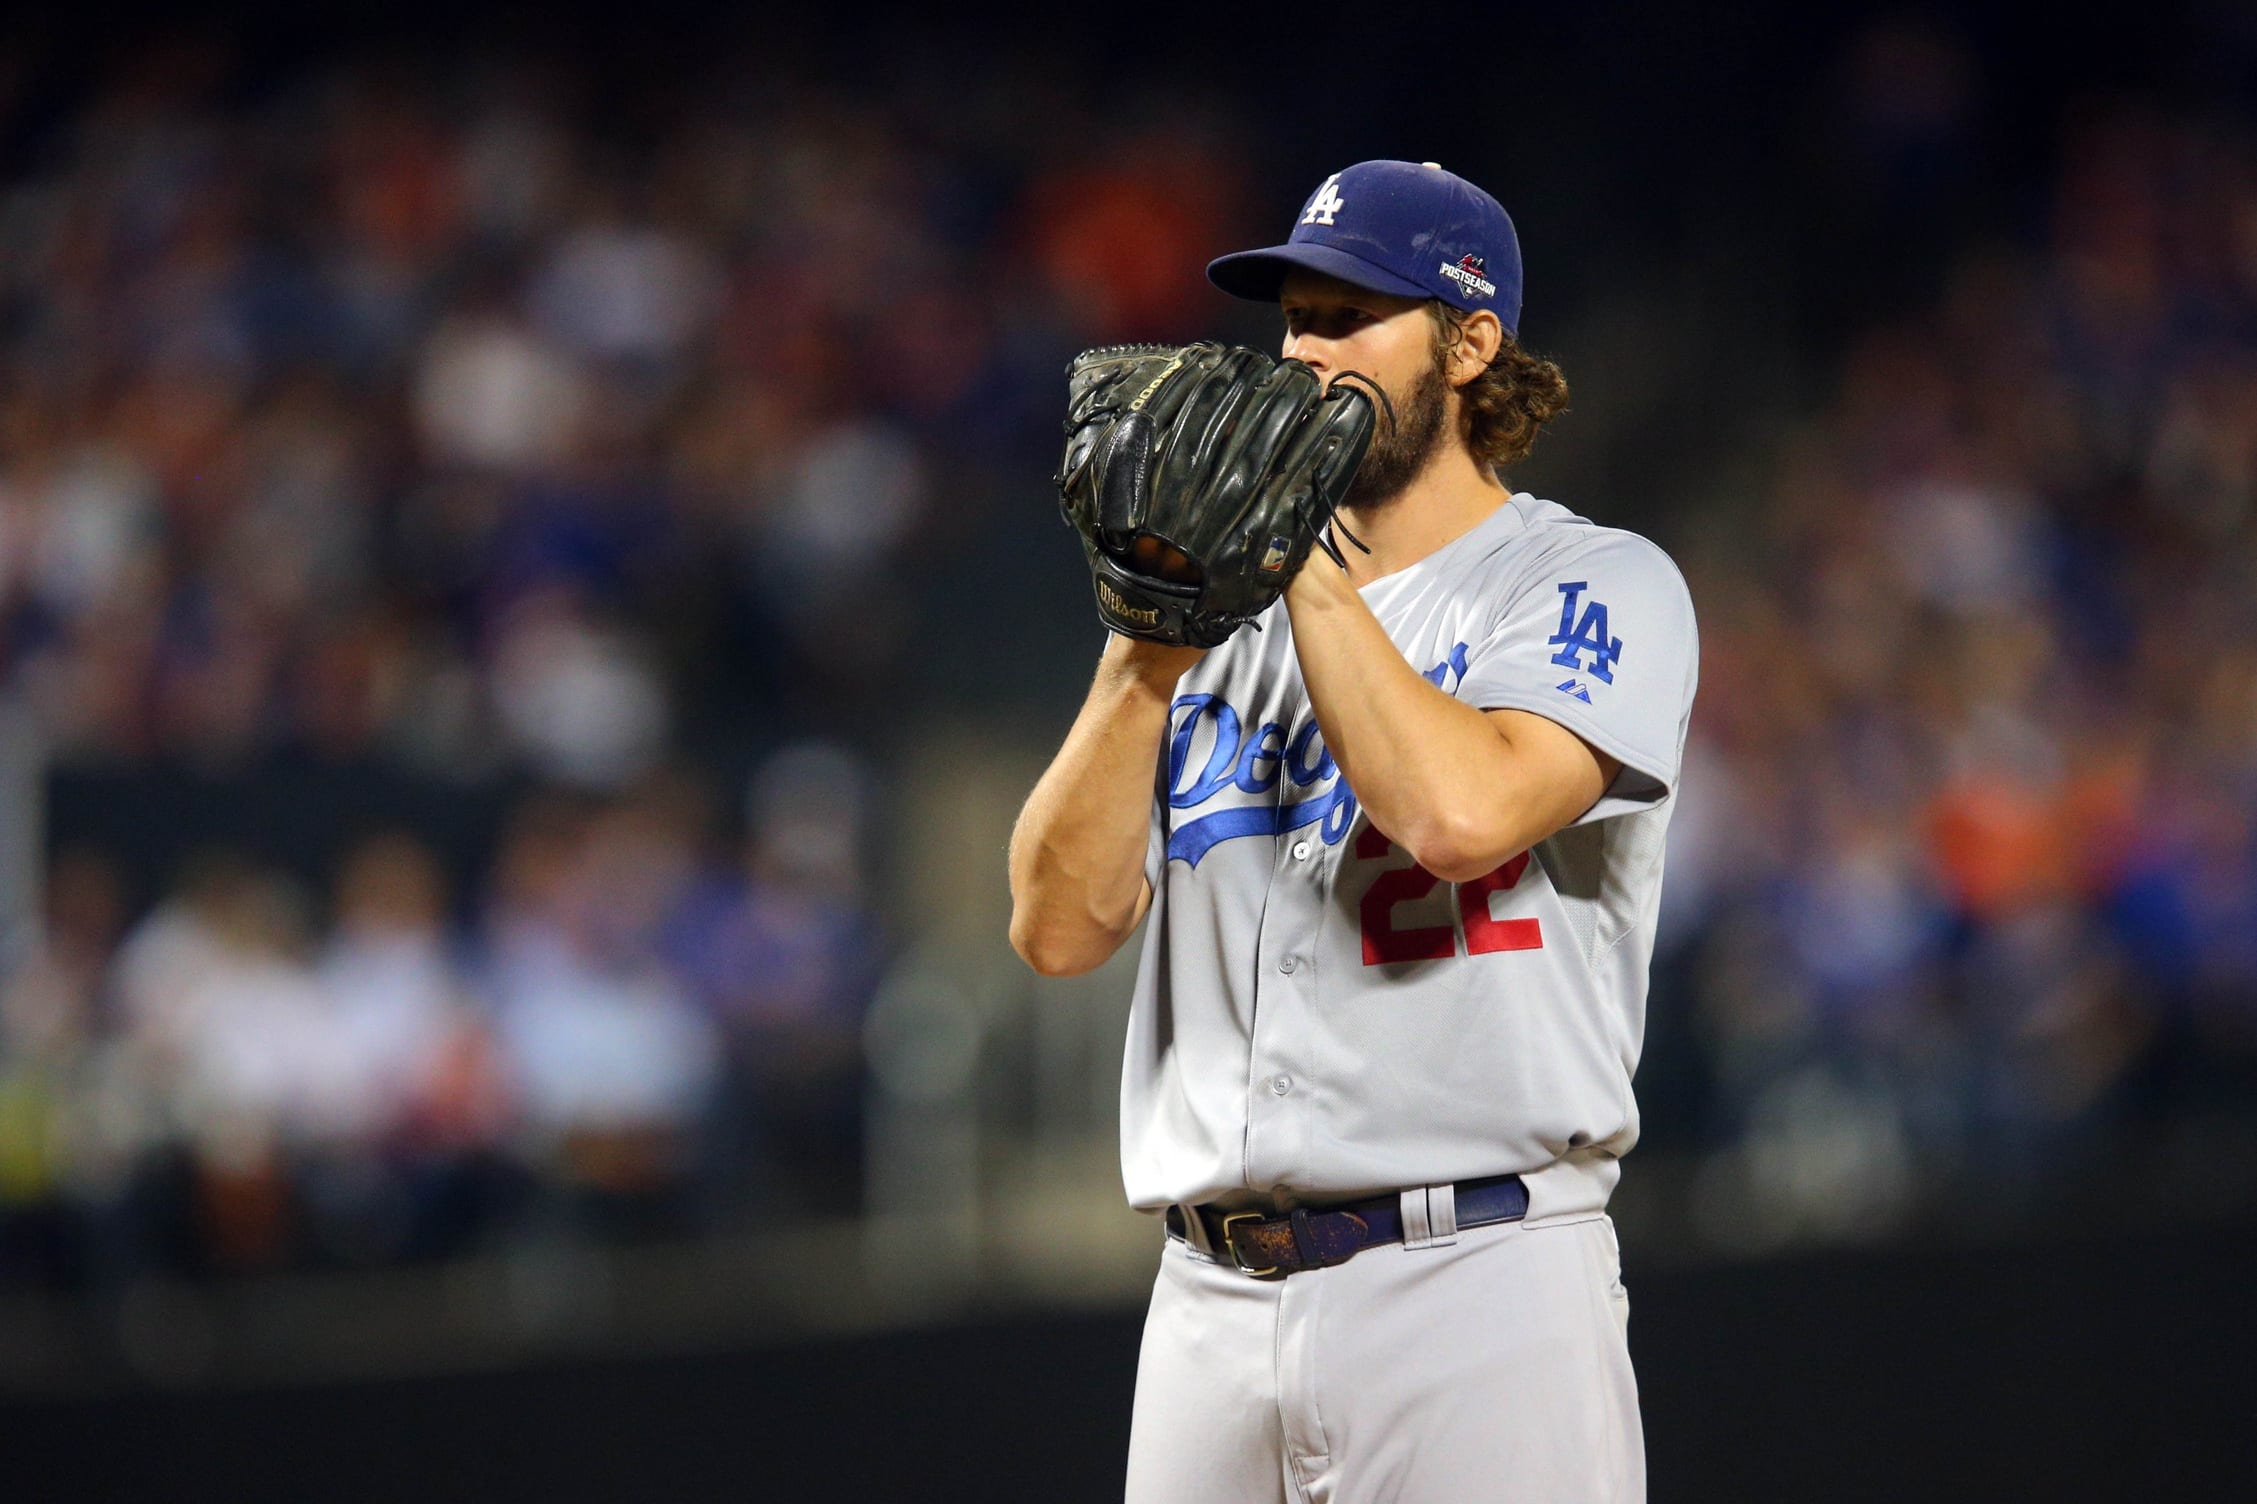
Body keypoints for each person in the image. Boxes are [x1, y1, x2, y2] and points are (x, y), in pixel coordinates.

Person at [1008, 160, 1698, 1501]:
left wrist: (1297, 558)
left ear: (1469, 340)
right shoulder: (1214, 622)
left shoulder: (1588, 581)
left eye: (1349, 316)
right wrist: (1145, 639)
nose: (1305, 352)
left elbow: (1458, 815)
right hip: (1208, 1307)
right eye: (1295, 319)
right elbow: (1053, 927)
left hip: (1478, 1283)